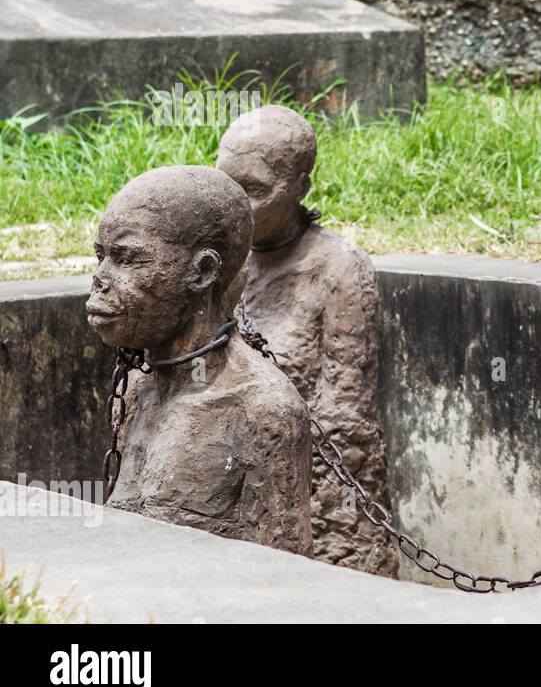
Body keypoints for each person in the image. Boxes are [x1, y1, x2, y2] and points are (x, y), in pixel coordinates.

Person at [87, 166, 312, 553]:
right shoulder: (137, 391)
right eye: (101, 256)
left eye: (127, 259)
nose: (100, 278)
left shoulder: (264, 410)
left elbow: (288, 574)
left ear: (203, 271)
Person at [217, 106, 397, 576]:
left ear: (299, 189)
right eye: (227, 185)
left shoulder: (339, 268)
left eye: (256, 190)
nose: (237, 205)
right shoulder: (213, 260)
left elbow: (345, 418)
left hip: (310, 499)